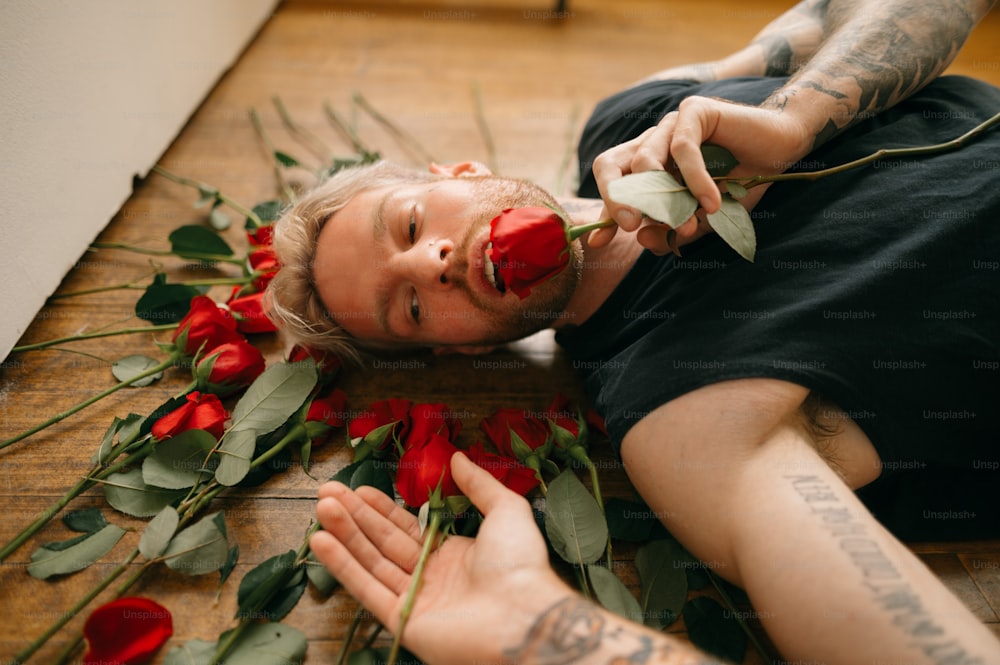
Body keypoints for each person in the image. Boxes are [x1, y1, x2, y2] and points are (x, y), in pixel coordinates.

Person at [269, 0, 1000, 663]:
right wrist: (541, 626)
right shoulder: (673, 421)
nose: (428, 263)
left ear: (459, 168)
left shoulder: (637, 113)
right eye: (411, 308)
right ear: (465, 349)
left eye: (409, 222)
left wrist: (795, 117)